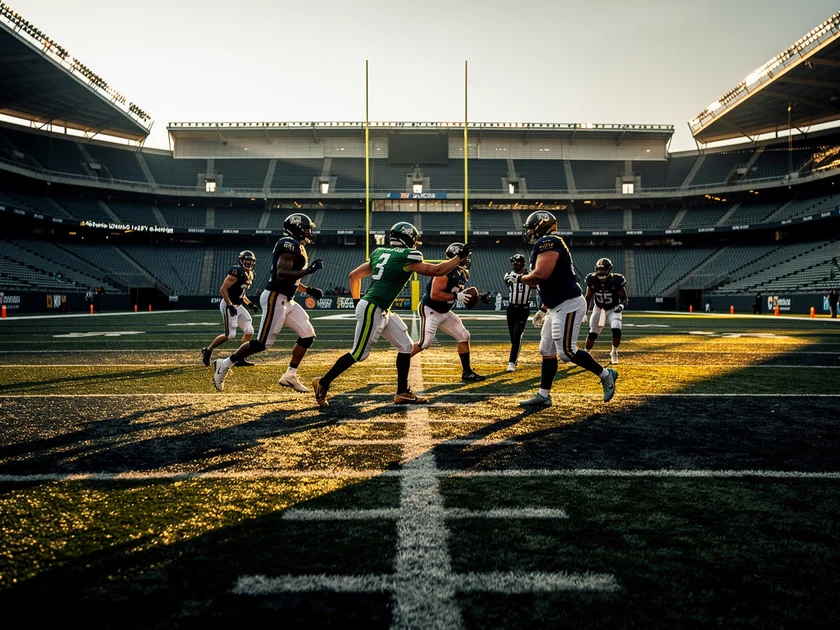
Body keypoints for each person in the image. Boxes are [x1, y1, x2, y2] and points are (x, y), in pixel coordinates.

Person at [312, 222, 471, 408]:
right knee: (358, 354)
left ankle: (402, 392)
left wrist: (357, 302)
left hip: (379, 308)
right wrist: (458, 257)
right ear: (408, 238)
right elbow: (437, 270)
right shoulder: (408, 256)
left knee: (405, 346)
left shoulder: (379, 253)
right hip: (373, 307)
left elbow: (353, 276)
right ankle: (323, 382)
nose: (415, 242)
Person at [213, 213, 324, 393]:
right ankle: (224, 364)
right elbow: (282, 274)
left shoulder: (298, 247)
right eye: (306, 229)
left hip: (287, 299)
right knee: (262, 343)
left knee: (308, 335)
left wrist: (308, 289)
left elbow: (292, 279)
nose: (310, 232)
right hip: (275, 297)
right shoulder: (289, 245)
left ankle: (290, 375)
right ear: (296, 229)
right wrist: (308, 271)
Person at [518, 211, 617, 408]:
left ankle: (607, 375)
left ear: (540, 226)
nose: (528, 231)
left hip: (568, 303)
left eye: (531, 227)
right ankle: (544, 395)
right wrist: (544, 309)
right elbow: (549, 282)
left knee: (566, 352)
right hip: (556, 305)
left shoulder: (549, 242)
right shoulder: (547, 243)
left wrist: (519, 277)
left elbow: (541, 274)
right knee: (546, 350)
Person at [411, 241, 489, 382]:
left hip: (445, 311)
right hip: (431, 310)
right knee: (425, 343)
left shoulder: (464, 273)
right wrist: (456, 297)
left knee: (464, 336)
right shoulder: (445, 272)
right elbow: (435, 294)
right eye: (464, 256)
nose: (466, 259)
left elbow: (456, 291)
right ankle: (402, 360)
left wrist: (479, 296)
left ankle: (467, 372)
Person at [202, 250, 259, 368]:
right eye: (246, 260)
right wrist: (229, 305)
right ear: (241, 260)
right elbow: (223, 289)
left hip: (238, 305)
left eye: (250, 261)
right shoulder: (236, 272)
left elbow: (242, 294)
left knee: (249, 330)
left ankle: (240, 357)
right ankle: (208, 350)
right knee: (230, 335)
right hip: (229, 304)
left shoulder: (251, 274)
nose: (248, 263)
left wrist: (250, 304)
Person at [583, 257, 629, 365]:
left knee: (616, 329)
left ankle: (614, 352)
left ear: (609, 270)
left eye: (603, 269)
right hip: (599, 309)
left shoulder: (616, 280)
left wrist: (621, 306)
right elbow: (588, 297)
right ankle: (586, 353)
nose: (601, 272)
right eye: (599, 269)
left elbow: (625, 299)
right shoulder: (592, 279)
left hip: (613, 309)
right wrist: (585, 313)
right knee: (593, 334)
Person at [504, 253, 532, 372]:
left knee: (516, 335)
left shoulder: (530, 275)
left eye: (517, 262)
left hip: (523, 309)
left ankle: (511, 362)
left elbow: (535, 283)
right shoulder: (509, 274)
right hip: (511, 308)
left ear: (522, 263)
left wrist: (522, 279)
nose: (515, 264)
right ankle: (515, 356)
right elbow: (508, 280)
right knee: (513, 337)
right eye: (513, 262)